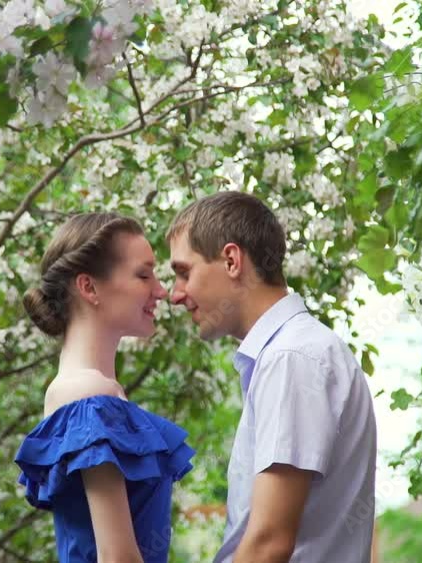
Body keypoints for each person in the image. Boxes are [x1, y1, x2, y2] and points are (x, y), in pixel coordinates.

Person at [166, 191, 377, 563]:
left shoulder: (291, 358)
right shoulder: (290, 354)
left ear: (231, 261)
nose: (175, 295)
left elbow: (269, 543)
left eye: (184, 273)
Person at [14, 212, 195, 563]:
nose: (161, 290)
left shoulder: (85, 391)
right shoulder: (89, 395)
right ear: (89, 287)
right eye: (143, 275)